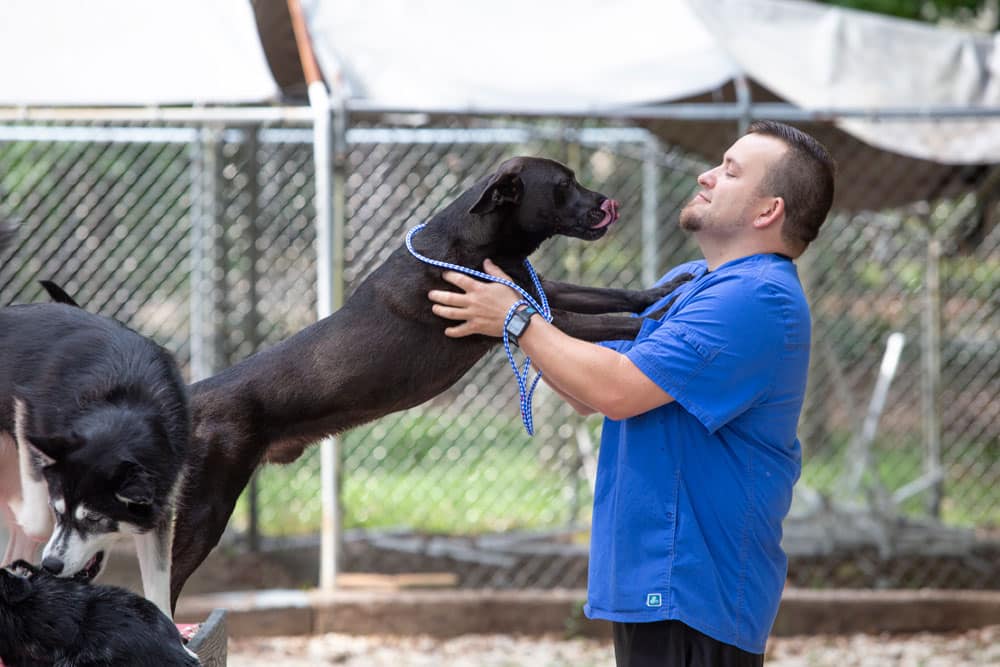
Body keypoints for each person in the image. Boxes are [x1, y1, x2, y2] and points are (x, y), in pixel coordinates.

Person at [427, 120, 836, 666]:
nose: (707, 175)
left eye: (731, 171)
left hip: (693, 587)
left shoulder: (755, 299)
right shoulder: (696, 282)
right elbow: (587, 391)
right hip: (654, 581)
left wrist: (515, 318)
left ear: (768, 212)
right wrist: (519, 313)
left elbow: (615, 391)